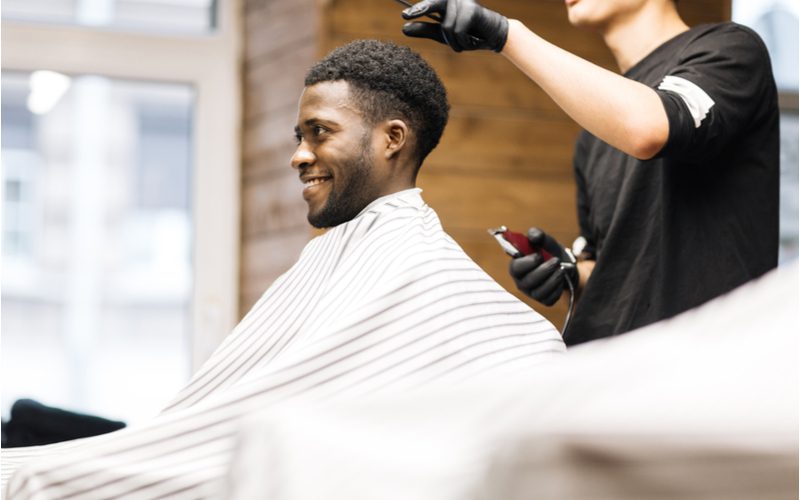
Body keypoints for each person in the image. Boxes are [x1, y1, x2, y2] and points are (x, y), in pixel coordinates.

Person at [2, 40, 564, 498]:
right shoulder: (332, 255)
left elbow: (529, 355)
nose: (298, 154)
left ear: (393, 138)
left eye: (320, 132)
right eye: (300, 136)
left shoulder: (419, 267)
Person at [401, 0, 780, 345]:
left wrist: (507, 36)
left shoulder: (730, 47)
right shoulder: (593, 138)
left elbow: (650, 127)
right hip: (609, 372)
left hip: (700, 371)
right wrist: (567, 272)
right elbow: (607, 265)